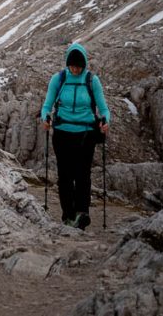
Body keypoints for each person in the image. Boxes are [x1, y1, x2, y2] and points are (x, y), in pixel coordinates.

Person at [40, 42, 110, 229]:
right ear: (67, 64)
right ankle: (67, 215)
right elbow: (48, 105)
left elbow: (103, 108)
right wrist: (45, 117)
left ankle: (82, 213)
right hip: (62, 134)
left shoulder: (91, 80)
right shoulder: (59, 79)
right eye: (72, 66)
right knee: (65, 175)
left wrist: (105, 120)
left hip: (86, 134)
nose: (75, 69)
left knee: (82, 175)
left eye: (78, 66)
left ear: (84, 64)